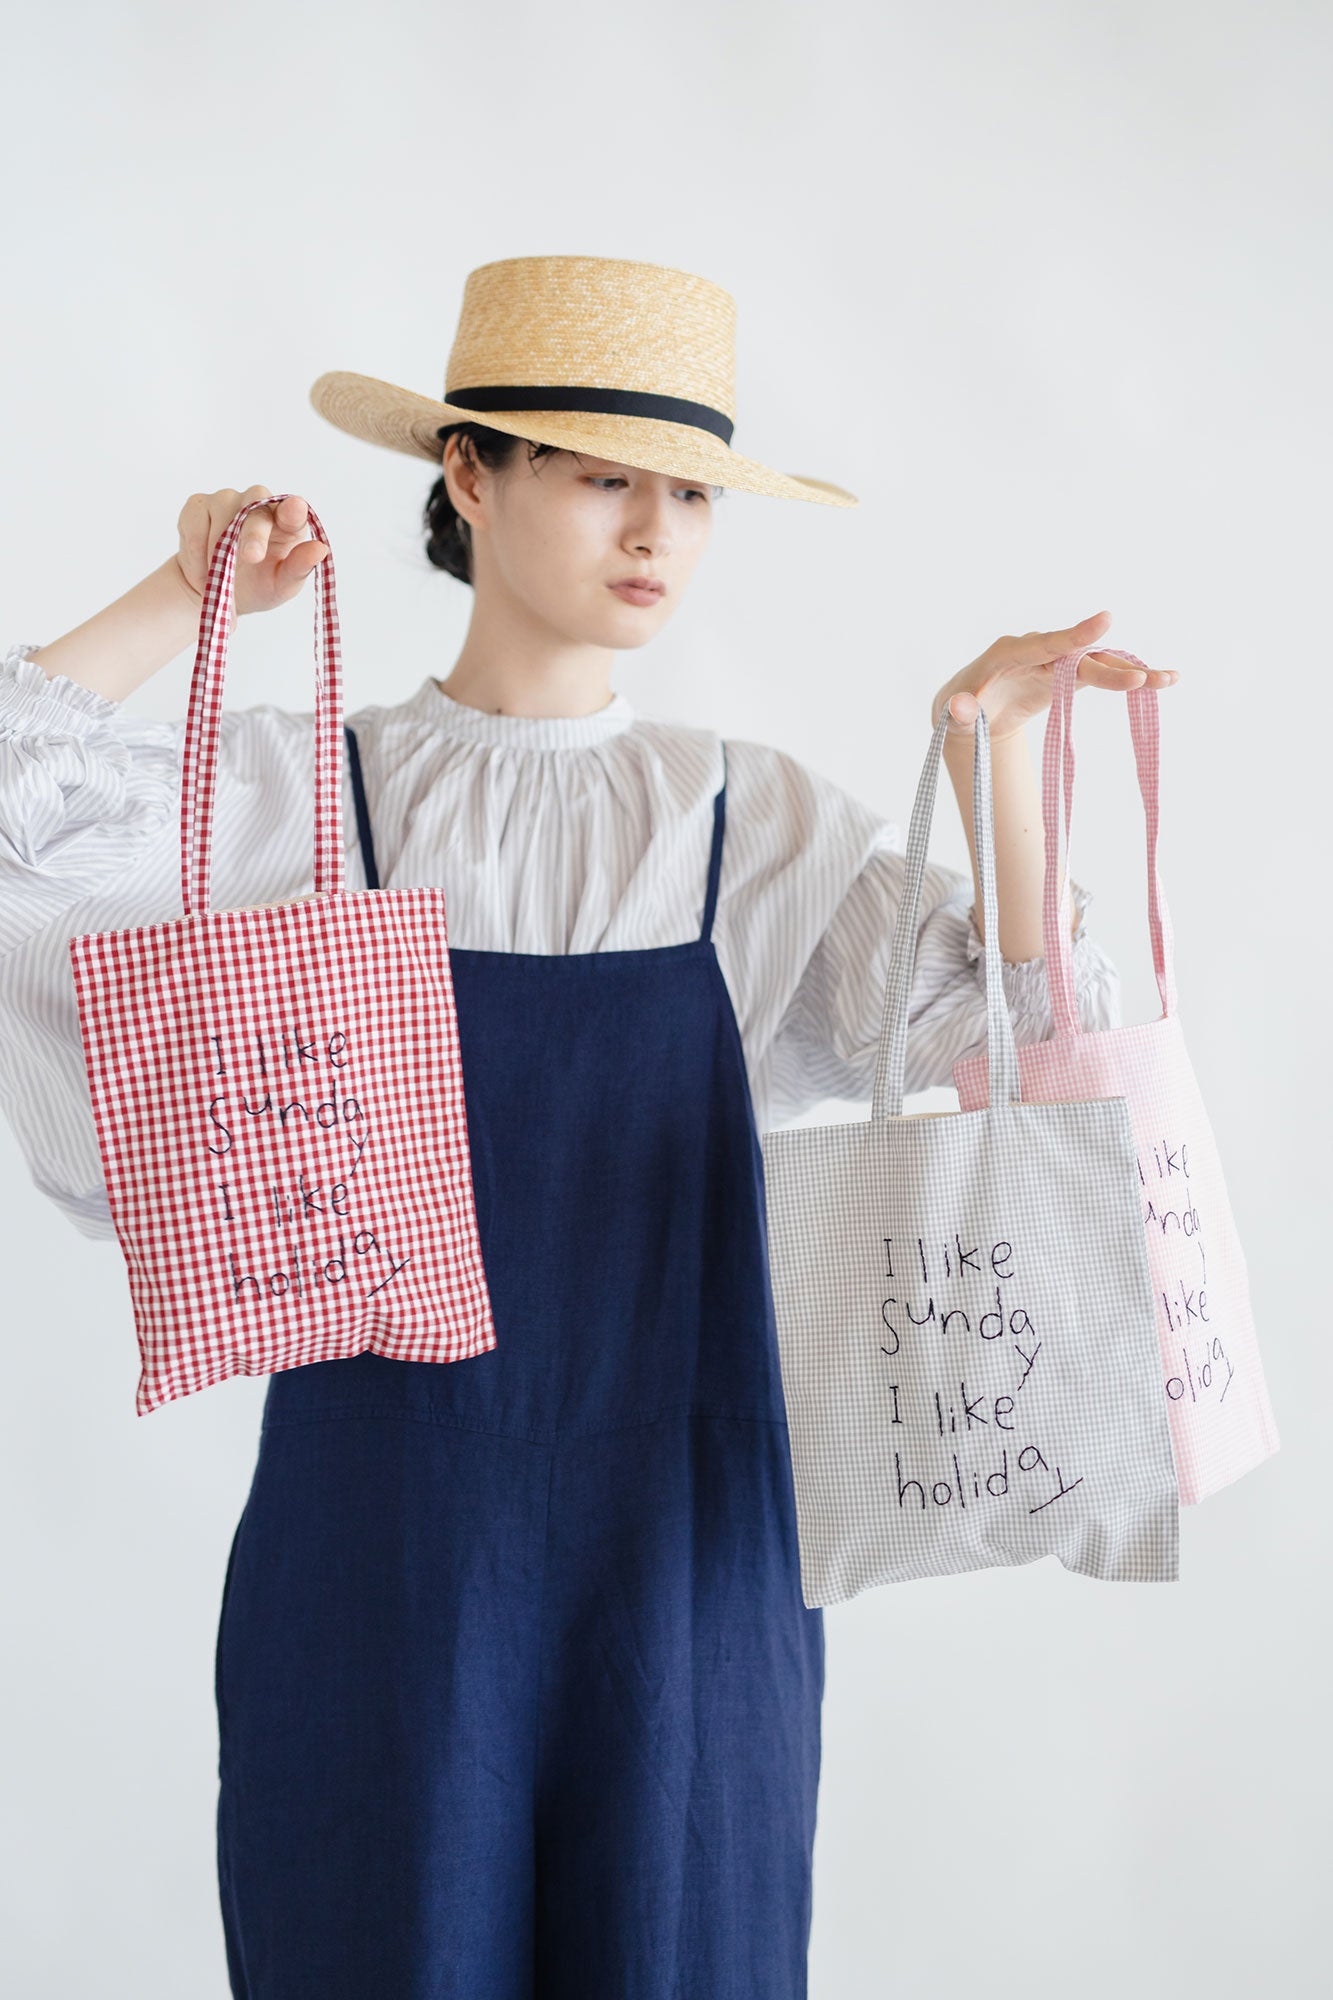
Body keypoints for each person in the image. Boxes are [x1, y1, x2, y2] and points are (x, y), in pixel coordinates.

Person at [0, 254, 1176, 1998]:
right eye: (600, 474)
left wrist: (995, 754)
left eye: (690, 490)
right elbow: (22, 808)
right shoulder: (302, 790)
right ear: (467, 477)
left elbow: (1021, 1041)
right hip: (379, 1555)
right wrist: (186, 593)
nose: (655, 530)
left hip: (691, 1561)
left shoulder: (749, 821)